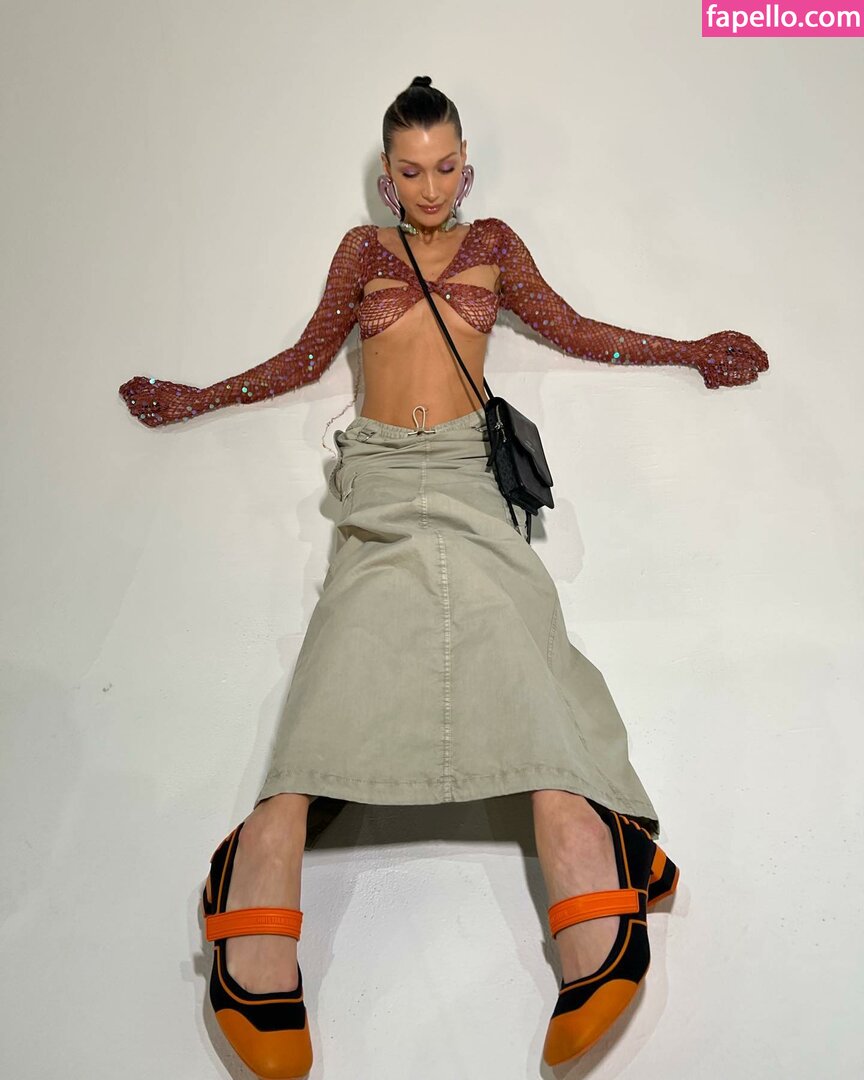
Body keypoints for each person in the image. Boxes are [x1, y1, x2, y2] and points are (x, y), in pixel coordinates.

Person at [119, 75, 768, 1078]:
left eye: (446, 167)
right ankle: (263, 849)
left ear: (468, 167)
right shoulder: (363, 252)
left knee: (515, 631)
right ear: (388, 176)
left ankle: (580, 837)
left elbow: (573, 328)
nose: (430, 188)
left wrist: (689, 349)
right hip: (381, 474)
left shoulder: (496, 244)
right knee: (344, 644)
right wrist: (197, 397)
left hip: (470, 471)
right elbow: (304, 360)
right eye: (411, 172)